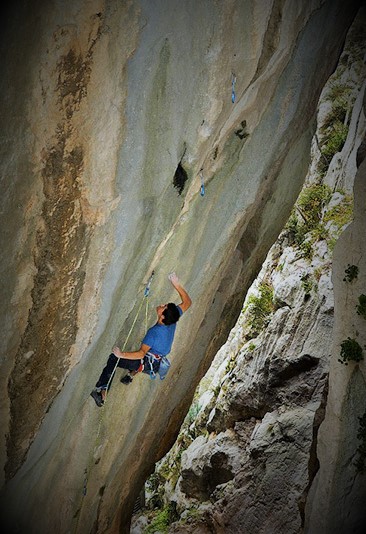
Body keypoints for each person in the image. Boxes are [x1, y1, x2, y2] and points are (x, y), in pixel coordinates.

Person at [90, 272, 191, 407]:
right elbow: (187, 302)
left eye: (163, 307)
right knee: (145, 360)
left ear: (162, 316)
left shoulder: (154, 333)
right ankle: (130, 375)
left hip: (148, 362)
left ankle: (102, 392)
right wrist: (176, 284)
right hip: (157, 360)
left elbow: (141, 354)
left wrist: (121, 355)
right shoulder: (172, 318)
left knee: (114, 359)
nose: (161, 305)